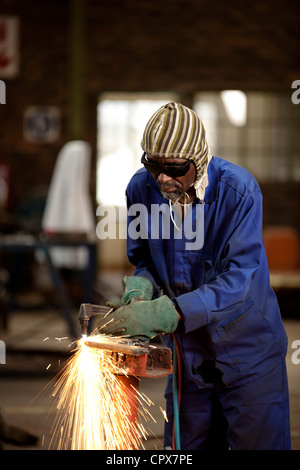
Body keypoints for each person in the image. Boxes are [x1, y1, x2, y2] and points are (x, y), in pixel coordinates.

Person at [97, 102, 291, 450]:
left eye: (174, 168)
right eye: (152, 165)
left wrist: (170, 312)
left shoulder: (238, 191)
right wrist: (139, 292)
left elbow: (240, 276)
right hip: (188, 357)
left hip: (248, 351)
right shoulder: (141, 189)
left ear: (198, 160)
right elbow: (144, 259)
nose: (161, 178)